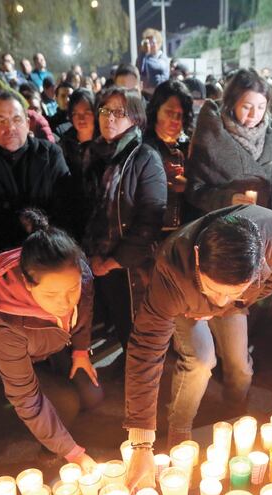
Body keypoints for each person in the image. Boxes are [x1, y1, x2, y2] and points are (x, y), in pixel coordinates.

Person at [123, 206, 272, 468]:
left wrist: (231, 303)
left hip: (237, 305)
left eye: (232, 290)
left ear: (258, 266)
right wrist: (141, 441)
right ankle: (179, 430)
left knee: (241, 367)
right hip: (187, 305)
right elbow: (146, 348)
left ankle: (234, 415)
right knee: (201, 360)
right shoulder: (171, 273)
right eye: (213, 289)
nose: (219, 300)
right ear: (198, 258)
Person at [0, 216, 102, 467]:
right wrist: (73, 453)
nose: (65, 302)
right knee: (66, 403)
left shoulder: (80, 275)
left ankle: (52, 388)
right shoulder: (4, 320)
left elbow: (84, 312)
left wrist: (81, 352)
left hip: (46, 339)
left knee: (92, 396)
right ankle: (47, 451)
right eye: (51, 294)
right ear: (28, 284)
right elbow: (25, 396)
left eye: (72, 290)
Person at [83, 86, 167, 350]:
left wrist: (112, 262)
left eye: (119, 112)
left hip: (128, 264)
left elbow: (149, 221)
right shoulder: (93, 154)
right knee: (112, 325)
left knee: (134, 332)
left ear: (135, 117)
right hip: (94, 258)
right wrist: (91, 256)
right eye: (105, 110)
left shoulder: (145, 157)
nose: (109, 118)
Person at [0, 89, 72, 285]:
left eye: (17, 119)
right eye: (1, 120)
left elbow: (67, 206)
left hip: (48, 258)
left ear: (27, 123)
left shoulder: (50, 155)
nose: (10, 127)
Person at [186, 68, 272, 214]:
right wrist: (227, 199)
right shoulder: (210, 131)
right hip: (222, 220)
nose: (254, 114)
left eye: (261, 107)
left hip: (262, 218)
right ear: (232, 103)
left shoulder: (271, 132)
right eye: (247, 107)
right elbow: (194, 188)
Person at [144, 80, 194, 233]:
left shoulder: (191, 146)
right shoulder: (143, 147)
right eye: (169, 112)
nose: (175, 120)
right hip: (149, 232)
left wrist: (188, 186)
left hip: (184, 231)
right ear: (156, 110)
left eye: (180, 115)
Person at [58, 88, 97, 241]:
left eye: (87, 112)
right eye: (75, 113)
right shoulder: (65, 142)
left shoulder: (105, 142)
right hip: (73, 211)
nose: (81, 118)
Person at [137, 29, 170, 94]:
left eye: (152, 42)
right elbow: (138, 69)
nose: (150, 45)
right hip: (147, 92)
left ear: (158, 43)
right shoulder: (144, 57)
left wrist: (147, 56)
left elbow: (159, 67)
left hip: (161, 91)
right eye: (148, 43)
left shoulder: (162, 56)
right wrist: (143, 53)